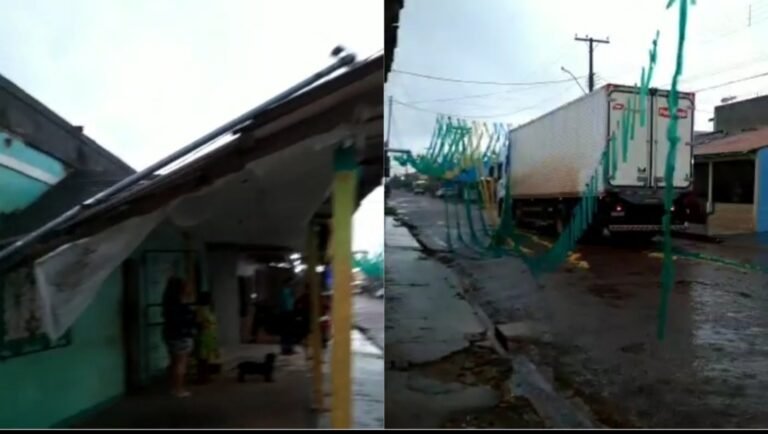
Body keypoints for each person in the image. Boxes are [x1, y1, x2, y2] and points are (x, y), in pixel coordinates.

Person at [162, 276, 197, 397]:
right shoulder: (181, 303)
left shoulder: (168, 301)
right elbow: (187, 319)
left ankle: (173, 387)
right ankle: (179, 389)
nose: (189, 287)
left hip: (170, 334)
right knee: (181, 364)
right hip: (181, 335)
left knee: (174, 362)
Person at [195, 291, 220, 384]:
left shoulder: (208, 309)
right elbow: (199, 323)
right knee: (202, 357)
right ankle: (202, 377)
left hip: (210, 334)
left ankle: (206, 376)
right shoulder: (200, 310)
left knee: (206, 357)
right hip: (204, 334)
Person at [279, 278, 296, 355]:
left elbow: (291, 302)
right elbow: (284, 303)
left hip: (289, 312)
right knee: (286, 332)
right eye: (289, 284)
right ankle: (286, 348)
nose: (290, 285)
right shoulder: (284, 292)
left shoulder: (290, 292)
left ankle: (288, 348)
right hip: (285, 313)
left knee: (288, 332)